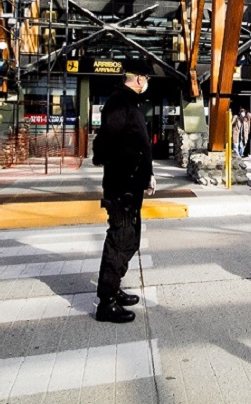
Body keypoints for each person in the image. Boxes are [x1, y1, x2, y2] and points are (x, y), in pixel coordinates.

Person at [92, 70, 155, 324]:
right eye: (146, 78)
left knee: (129, 240)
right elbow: (107, 143)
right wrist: (130, 173)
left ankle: (113, 286)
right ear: (139, 80)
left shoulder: (127, 102)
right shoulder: (120, 103)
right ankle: (106, 303)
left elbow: (134, 144)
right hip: (122, 187)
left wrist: (145, 174)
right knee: (121, 240)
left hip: (130, 185)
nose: (147, 82)